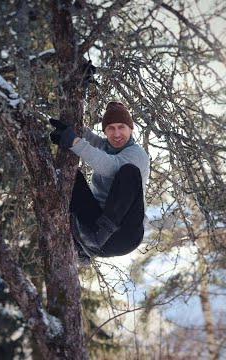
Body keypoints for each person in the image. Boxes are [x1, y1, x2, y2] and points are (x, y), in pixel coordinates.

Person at [49, 101, 150, 264]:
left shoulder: (137, 154)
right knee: (71, 176)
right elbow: (80, 130)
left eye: (121, 127)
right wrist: (81, 84)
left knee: (129, 171)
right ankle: (81, 245)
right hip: (95, 234)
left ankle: (94, 240)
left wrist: (73, 142)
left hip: (125, 235)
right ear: (105, 131)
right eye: (111, 128)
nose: (116, 134)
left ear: (131, 129)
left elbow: (110, 166)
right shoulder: (104, 146)